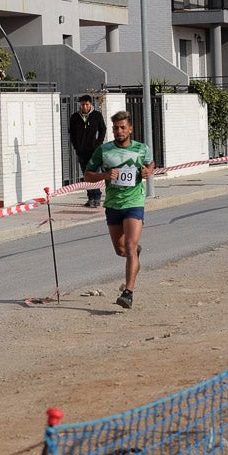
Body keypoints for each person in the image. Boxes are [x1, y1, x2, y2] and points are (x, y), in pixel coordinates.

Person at [84, 110, 155, 310]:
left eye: (123, 127)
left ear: (130, 129)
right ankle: (134, 255)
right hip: (113, 205)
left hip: (134, 202)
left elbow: (150, 164)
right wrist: (105, 175)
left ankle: (128, 293)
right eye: (115, 128)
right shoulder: (104, 151)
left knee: (131, 247)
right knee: (121, 250)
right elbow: (87, 175)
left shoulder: (141, 149)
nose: (119, 131)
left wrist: (148, 171)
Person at [68, 95, 107, 207]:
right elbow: (72, 133)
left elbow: (102, 129)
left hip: (94, 151)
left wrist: (98, 143)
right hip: (82, 151)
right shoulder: (75, 117)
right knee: (86, 175)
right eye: (82, 104)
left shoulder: (96, 115)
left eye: (86, 104)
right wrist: (76, 146)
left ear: (90, 104)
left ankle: (97, 197)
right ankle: (90, 197)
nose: (84, 107)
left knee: (95, 174)